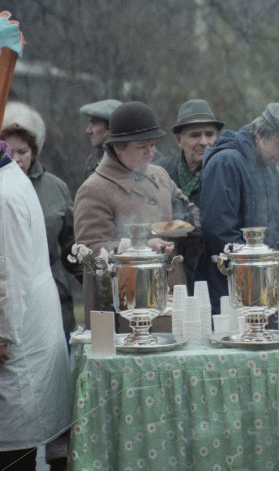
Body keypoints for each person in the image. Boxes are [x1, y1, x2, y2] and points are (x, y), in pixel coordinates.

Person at [73, 102, 201, 328]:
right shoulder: (94, 189)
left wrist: (192, 228)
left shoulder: (160, 175)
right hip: (125, 309)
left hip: (171, 299)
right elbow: (89, 250)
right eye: (142, 147)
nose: (151, 153)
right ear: (118, 147)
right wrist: (140, 245)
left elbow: (187, 207)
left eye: (152, 145)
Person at [0, 139, 74, 472]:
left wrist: (3, 335)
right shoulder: (12, 177)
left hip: (18, 342)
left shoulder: (3, 195)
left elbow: (8, 276)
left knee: (13, 461)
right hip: (28, 333)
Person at [200, 102, 279, 312]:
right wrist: (260, 271)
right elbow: (220, 234)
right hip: (231, 293)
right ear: (259, 133)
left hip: (262, 291)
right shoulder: (226, 162)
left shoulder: (265, 167)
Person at [1, 101, 77, 338]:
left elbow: (72, 248)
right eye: (8, 152)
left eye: (22, 151)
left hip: (52, 297)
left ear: (34, 151)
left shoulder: (55, 188)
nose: (16, 159)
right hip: (8, 299)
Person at [153, 99, 225, 208]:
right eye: (195, 135)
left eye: (209, 134)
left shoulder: (226, 172)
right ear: (178, 140)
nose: (204, 142)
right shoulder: (160, 172)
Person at [79, 98, 121, 179]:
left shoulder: (139, 158)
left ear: (111, 126)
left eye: (94, 123)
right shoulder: (92, 161)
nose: (88, 131)